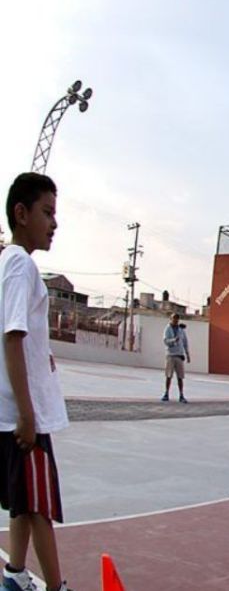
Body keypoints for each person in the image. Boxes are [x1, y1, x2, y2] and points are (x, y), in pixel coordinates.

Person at [0, 174, 71, 591]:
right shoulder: (21, 264)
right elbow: (13, 335)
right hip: (24, 415)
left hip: (17, 412)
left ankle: (13, 574)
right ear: (21, 213)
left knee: (23, 503)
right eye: (47, 212)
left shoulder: (10, 264)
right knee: (40, 505)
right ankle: (57, 586)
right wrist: (27, 414)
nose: (54, 223)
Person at [161, 313, 190, 403]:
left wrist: (187, 354)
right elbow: (165, 341)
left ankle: (181, 395)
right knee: (169, 375)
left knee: (180, 377)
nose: (175, 320)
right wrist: (174, 340)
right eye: (174, 319)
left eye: (177, 319)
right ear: (170, 319)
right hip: (171, 354)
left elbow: (185, 342)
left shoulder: (181, 330)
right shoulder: (167, 329)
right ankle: (166, 393)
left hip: (179, 355)